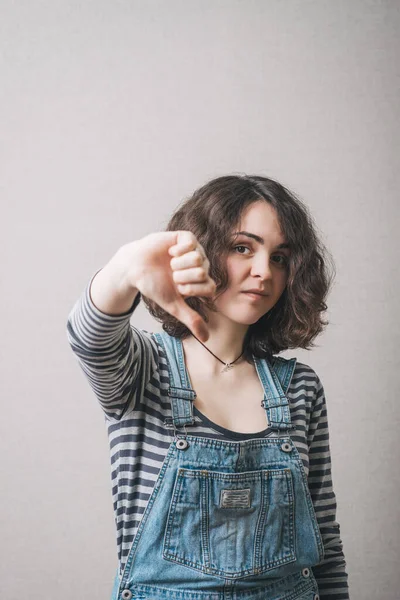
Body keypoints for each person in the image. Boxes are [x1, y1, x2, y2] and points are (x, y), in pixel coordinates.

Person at [66, 174, 350, 600]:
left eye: (279, 257)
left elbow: (324, 538)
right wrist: (126, 268)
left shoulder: (300, 388)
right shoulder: (144, 369)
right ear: (201, 251)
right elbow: (87, 336)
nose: (262, 271)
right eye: (242, 248)